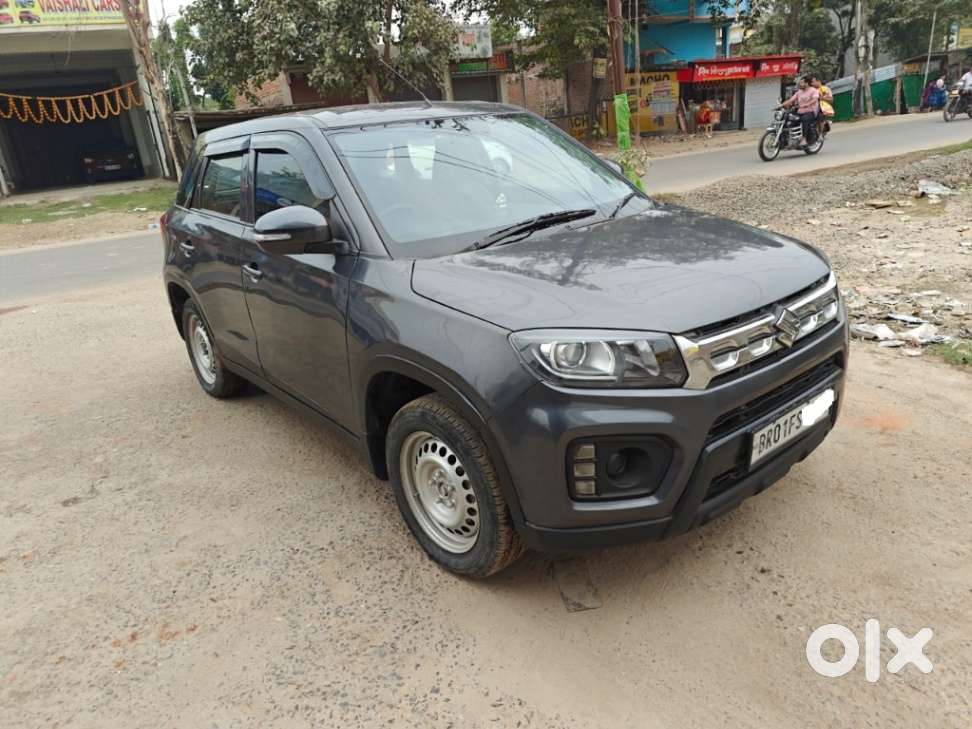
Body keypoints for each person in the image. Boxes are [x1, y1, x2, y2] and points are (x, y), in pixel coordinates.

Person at [779, 75, 820, 147]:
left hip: (810, 112)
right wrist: (781, 105)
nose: (800, 84)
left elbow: (815, 99)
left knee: (804, 119)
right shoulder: (799, 92)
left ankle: (804, 139)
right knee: (787, 118)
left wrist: (807, 104)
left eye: (802, 83)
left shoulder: (814, 90)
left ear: (807, 83)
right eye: (800, 83)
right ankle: (785, 139)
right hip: (800, 112)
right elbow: (791, 100)